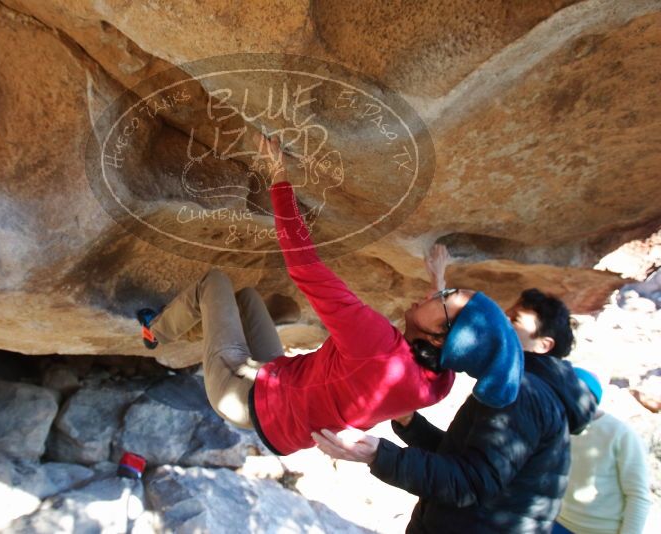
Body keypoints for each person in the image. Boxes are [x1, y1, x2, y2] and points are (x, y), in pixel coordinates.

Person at [136, 134, 523, 456]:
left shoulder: (377, 345)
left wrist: (277, 174)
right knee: (249, 297)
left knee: (215, 282)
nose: (434, 295)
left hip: (242, 399)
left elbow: (304, 266)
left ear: (440, 336)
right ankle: (204, 335)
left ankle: (155, 333)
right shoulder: (439, 381)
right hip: (283, 403)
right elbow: (445, 330)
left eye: (444, 298)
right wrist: (438, 280)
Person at [313, 276, 598, 532]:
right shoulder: (517, 387)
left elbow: (470, 481)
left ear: (543, 345)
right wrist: (412, 425)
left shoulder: (521, 393)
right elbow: (467, 459)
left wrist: (377, 455)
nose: (501, 322)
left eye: (514, 321)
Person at [553, 367, 652, 534]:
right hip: (560, 522)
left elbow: (638, 496)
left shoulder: (621, 434)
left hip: (601, 529)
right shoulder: (559, 425)